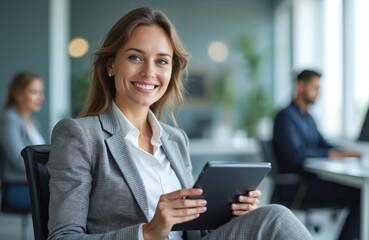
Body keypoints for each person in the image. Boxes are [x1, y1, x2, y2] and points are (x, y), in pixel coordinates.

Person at [47, 7, 312, 240]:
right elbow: (63, 237)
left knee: (270, 217)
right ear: (111, 65)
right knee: (277, 217)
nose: (149, 71)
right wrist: (147, 233)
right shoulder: (79, 135)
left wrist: (234, 216)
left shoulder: (174, 139)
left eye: (161, 61)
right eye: (135, 57)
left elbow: (192, 231)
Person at [273, 69, 361, 240]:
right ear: (300, 86)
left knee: (359, 191)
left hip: (310, 181)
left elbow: (324, 145)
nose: (318, 93)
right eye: (315, 88)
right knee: (361, 194)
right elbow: (296, 155)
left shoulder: (309, 118)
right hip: (296, 185)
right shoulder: (285, 117)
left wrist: (345, 152)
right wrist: (332, 154)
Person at [0, 71, 46, 209]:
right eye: (34, 92)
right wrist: (49, 170)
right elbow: (19, 161)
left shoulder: (32, 121)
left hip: (35, 184)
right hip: (18, 188)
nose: (40, 97)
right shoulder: (9, 120)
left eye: (41, 92)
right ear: (18, 94)